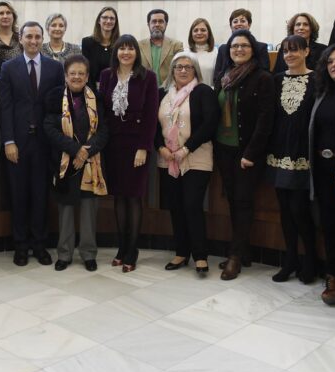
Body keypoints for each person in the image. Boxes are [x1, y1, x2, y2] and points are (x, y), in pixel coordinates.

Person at [0, 20, 65, 266]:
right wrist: (8, 141)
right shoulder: (8, 67)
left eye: (37, 37)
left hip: (45, 143)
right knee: (18, 195)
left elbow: (58, 107)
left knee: (40, 195)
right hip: (17, 141)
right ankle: (20, 246)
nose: (33, 41)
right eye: (29, 37)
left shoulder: (55, 68)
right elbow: (5, 107)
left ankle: (39, 244)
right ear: (21, 39)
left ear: (42, 39)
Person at [214, 29, 274, 280]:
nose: (238, 50)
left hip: (247, 152)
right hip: (224, 149)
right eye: (234, 46)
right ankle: (243, 250)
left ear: (253, 50)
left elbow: (265, 120)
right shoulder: (224, 76)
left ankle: (235, 256)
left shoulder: (262, 78)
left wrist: (251, 153)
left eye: (244, 46)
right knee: (232, 201)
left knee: (243, 201)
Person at [99, 35, 159, 272]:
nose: (126, 52)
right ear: (116, 52)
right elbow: (103, 111)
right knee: (118, 197)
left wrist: (144, 147)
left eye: (130, 48)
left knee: (133, 197)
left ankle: (132, 250)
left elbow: (151, 115)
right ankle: (121, 248)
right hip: (113, 145)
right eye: (121, 48)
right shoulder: (106, 75)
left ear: (136, 52)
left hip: (136, 145)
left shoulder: (148, 77)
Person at [44, 54, 109, 271]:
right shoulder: (54, 97)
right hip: (65, 161)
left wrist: (86, 152)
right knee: (66, 209)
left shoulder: (97, 97)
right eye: (72, 73)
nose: (77, 77)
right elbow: (49, 128)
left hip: (91, 163)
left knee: (89, 210)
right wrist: (75, 151)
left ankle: (88, 254)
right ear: (65, 76)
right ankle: (64, 254)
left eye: (81, 73)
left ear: (88, 76)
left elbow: (104, 130)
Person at [157, 51, 218, 275]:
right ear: (172, 71)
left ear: (195, 70)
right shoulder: (163, 94)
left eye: (188, 67)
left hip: (196, 157)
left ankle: (200, 256)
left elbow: (210, 124)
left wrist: (186, 148)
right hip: (168, 159)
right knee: (176, 207)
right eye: (178, 67)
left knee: (192, 206)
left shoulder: (203, 91)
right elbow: (153, 125)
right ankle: (181, 252)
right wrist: (160, 148)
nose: (183, 70)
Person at [267, 35, 317, 284]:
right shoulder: (276, 80)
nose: (289, 55)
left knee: (300, 210)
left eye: (295, 50)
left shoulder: (317, 79)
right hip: (279, 151)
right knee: (285, 210)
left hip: (304, 153)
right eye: (285, 51)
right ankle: (290, 260)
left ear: (306, 51)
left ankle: (311, 260)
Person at [309, 44, 335, 305]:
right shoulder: (322, 92)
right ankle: (334, 277)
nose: (334, 65)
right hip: (323, 170)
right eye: (330, 61)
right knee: (329, 224)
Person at [211, 8, 269, 88]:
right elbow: (217, 76)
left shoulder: (260, 47)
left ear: (249, 25)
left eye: (242, 21)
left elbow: (264, 75)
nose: (239, 24)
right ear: (231, 26)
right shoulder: (223, 49)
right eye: (235, 21)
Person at [138, 9, 183, 88]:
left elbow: (180, 69)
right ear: (148, 25)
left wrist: (163, 88)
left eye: (161, 21)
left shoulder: (176, 45)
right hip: (144, 90)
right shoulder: (139, 45)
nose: (157, 24)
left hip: (169, 90)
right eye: (154, 21)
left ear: (166, 24)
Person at [81, 6, 120, 88]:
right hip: (92, 89)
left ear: (115, 22)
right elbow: (85, 70)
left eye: (112, 18)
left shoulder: (120, 44)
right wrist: (92, 92)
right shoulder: (87, 43)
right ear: (99, 20)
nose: (108, 21)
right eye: (105, 17)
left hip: (116, 89)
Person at [187, 18, 218, 86]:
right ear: (191, 34)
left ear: (209, 33)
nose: (199, 33)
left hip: (210, 91)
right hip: (188, 92)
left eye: (203, 30)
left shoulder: (217, 52)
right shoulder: (185, 53)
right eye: (196, 30)